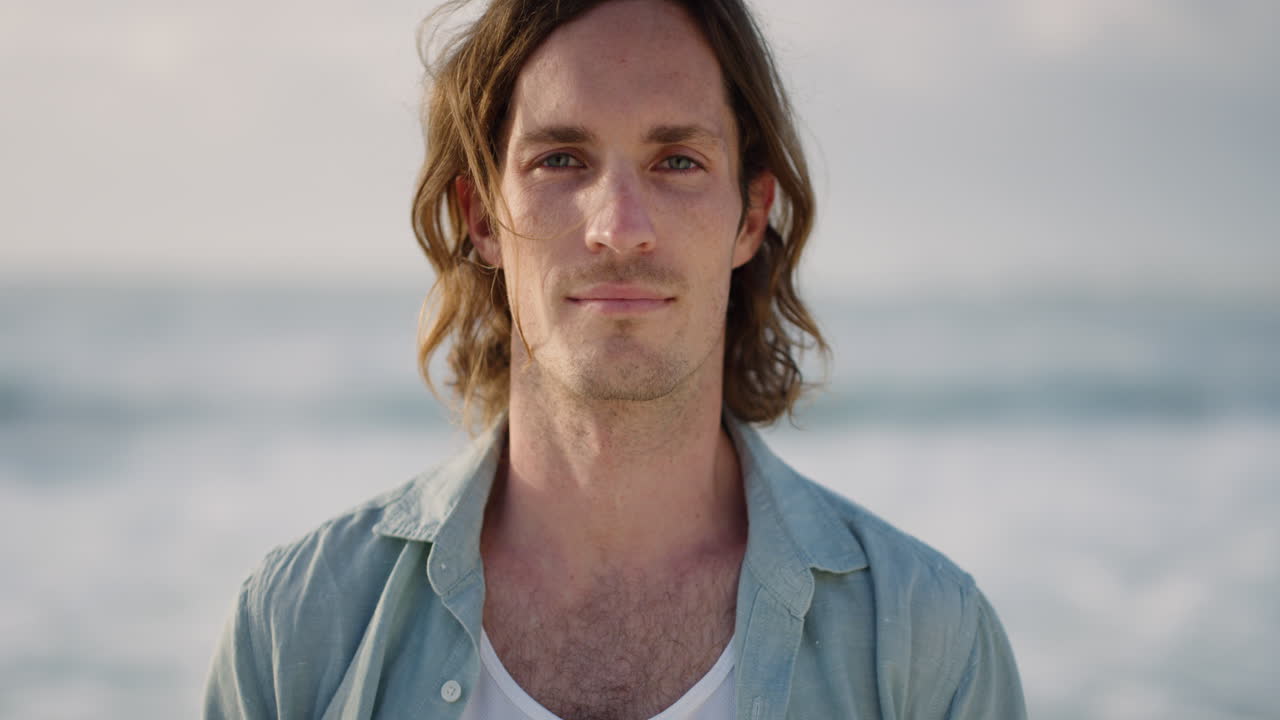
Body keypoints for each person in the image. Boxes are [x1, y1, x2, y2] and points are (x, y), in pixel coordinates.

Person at [204, 0, 1026, 717]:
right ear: (481, 216)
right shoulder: (298, 629)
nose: (620, 225)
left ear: (750, 216)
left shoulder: (926, 643)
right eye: (561, 159)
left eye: (677, 162)